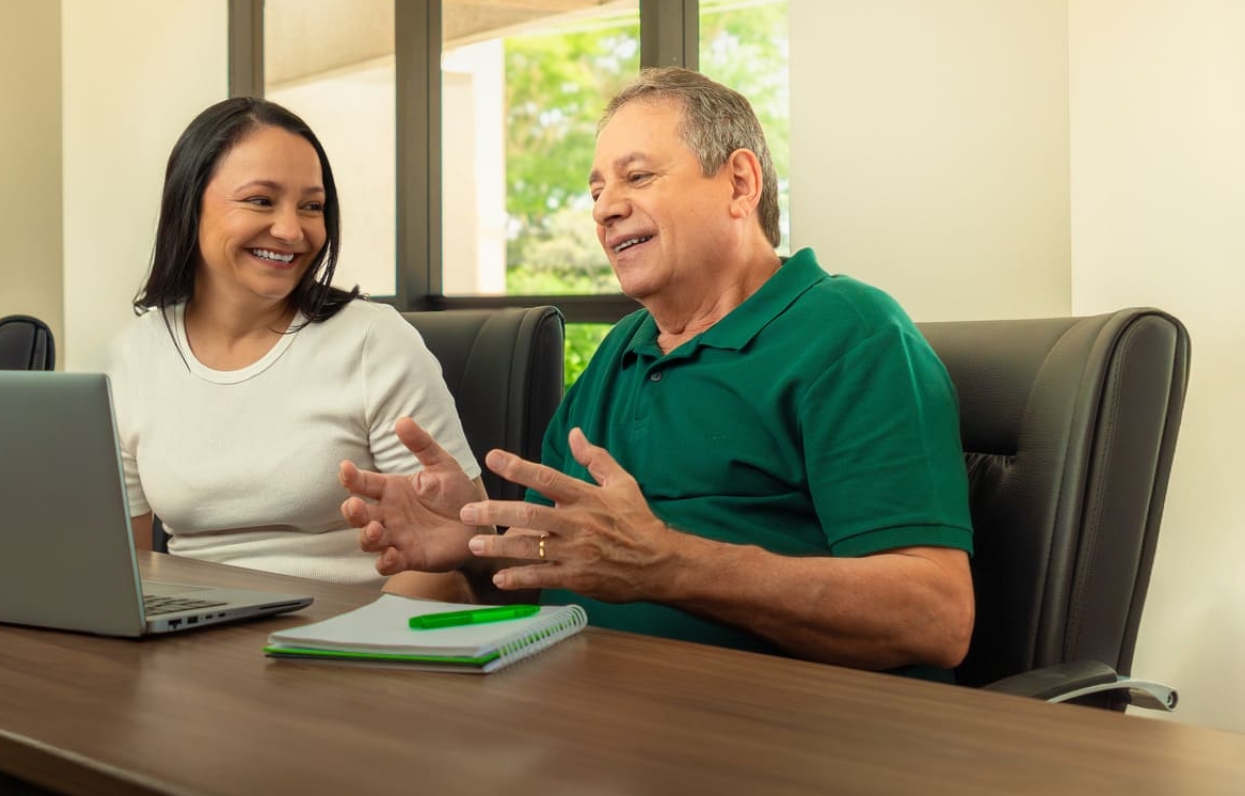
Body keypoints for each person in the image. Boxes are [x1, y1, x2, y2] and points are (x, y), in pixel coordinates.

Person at [339, 68, 976, 677]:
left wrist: (668, 564)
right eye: (596, 192)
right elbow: (553, 564)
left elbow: (935, 617)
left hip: (781, 735)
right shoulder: (621, 350)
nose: (604, 209)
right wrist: (475, 543)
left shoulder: (852, 331)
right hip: (579, 710)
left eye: (636, 177)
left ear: (739, 184)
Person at [105, 96, 479, 594]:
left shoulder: (372, 341)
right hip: (195, 637)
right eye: (261, 200)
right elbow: (126, 567)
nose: (291, 230)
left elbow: (447, 560)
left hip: (353, 635)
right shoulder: (135, 356)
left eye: (312, 206)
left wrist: (351, 649)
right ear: (188, 204)